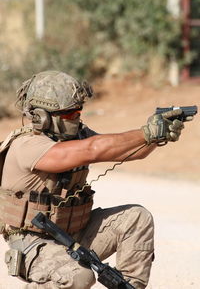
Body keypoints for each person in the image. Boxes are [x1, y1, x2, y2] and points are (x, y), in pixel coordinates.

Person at [0, 71, 188, 289]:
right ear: (41, 117)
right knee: (79, 277)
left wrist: (158, 136)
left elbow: (127, 152)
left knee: (137, 218)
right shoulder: (27, 146)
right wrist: (145, 133)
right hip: (34, 243)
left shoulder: (77, 135)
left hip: (72, 233)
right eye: (70, 114)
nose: (77, 117)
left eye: (79, 111)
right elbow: (93, 149)